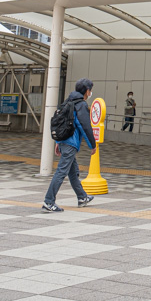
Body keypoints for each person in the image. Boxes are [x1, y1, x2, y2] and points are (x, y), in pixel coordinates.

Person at [42, 78, 97, 213]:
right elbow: (84, 126)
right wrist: (92, 145)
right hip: (70, 143)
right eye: (90, 90)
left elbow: (61, 123)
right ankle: (49, 201)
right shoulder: (81, 105)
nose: (91, 92)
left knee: (73, 172)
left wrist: (58, 142)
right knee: (62, 171)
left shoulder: (68, 101)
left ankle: (82, 197)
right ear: (87, 91)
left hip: (64, 141)